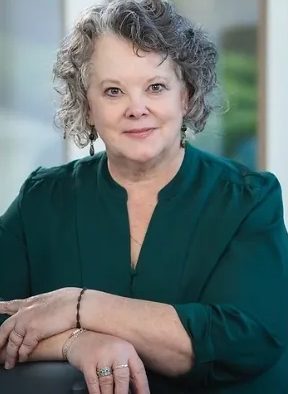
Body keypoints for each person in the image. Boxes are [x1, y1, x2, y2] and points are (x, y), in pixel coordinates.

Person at [0, 0, 288, 393]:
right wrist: (75, 342)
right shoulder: (43, 199)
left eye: (155, 87)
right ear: (87, 107)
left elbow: (242, 341)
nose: (137, 109)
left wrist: (78, 306)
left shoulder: (249, 200)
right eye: (113, 91)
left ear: (185, 96)